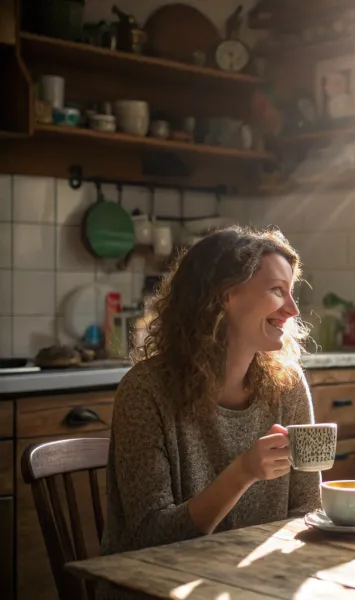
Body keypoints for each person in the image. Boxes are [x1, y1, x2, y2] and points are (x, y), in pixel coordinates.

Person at [102, 226, 321, 558]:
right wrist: (243, 472)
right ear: (225, 296)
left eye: (291, 292)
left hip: (251, 582)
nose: (293, 309)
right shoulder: (145, 391)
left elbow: (307, 512)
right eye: (277, 290)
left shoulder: (286, 386)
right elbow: (150, 538)